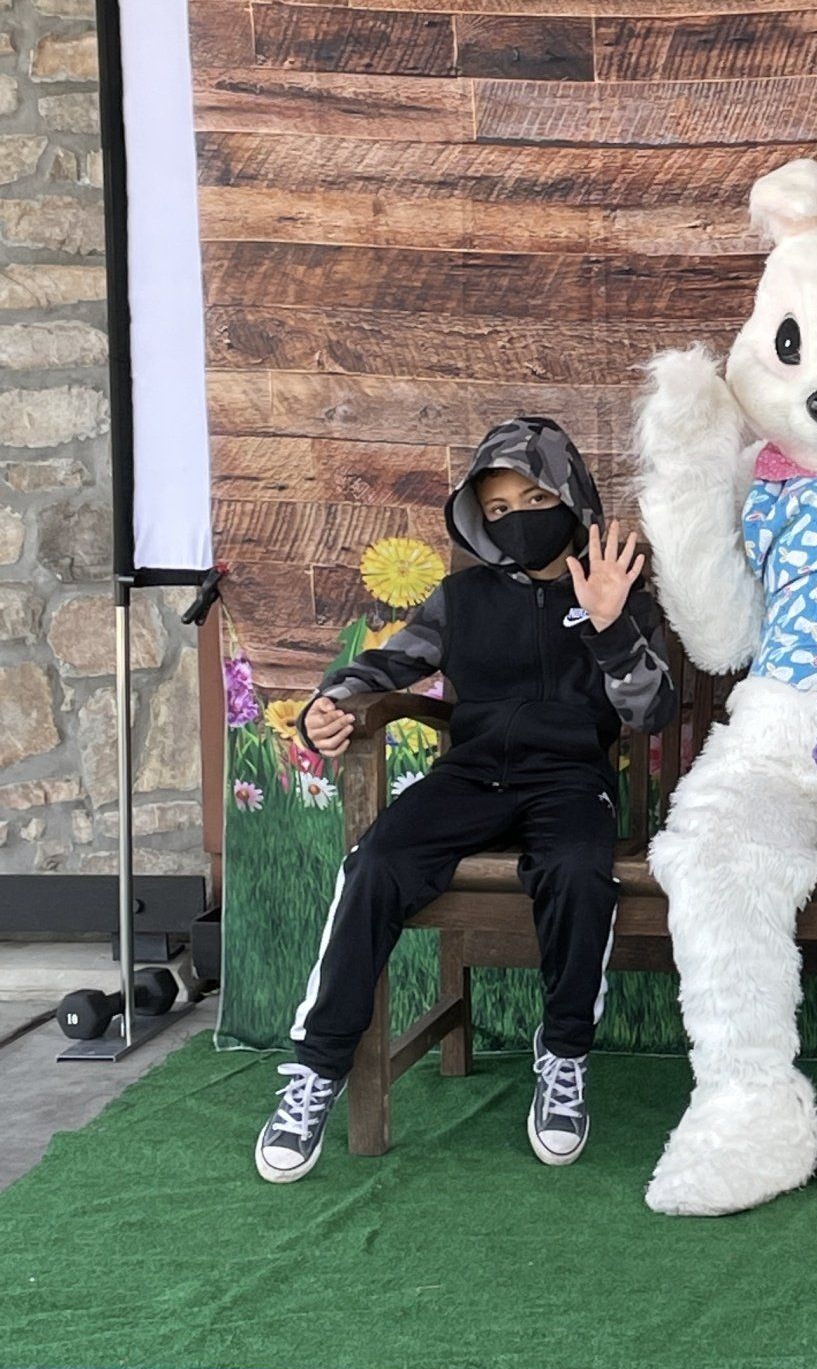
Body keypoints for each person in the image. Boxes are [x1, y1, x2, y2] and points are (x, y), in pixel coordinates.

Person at [253, 417, 676, 1184]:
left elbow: (651, 712)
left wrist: (611, 627)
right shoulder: (461, 598)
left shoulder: (618, 589)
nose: (518, 517)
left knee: (580, 874)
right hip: (470, 777)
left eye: (536, 496)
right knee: (376, 862)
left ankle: (564, 1055)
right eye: (501, 508)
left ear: (571, 494)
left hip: (570, 782)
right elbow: (389, 664)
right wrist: (334, 701)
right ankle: (318, 1069)